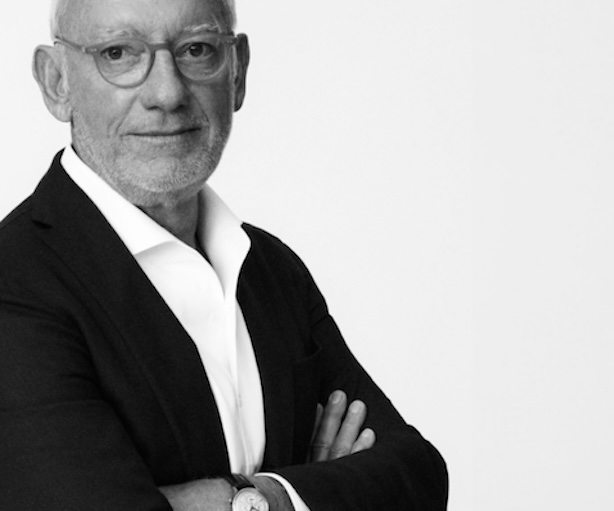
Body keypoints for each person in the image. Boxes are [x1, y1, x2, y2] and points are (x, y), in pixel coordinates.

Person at [0, 0, 448, 509]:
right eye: (119, 54)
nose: (167, 93)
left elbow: (418, 478)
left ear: (237, 72)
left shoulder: (271, 269)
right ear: (56, 81)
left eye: (196, 50)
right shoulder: (13, 285)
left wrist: (261, 498)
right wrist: (317, 491)